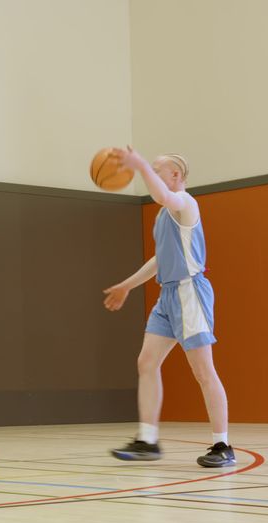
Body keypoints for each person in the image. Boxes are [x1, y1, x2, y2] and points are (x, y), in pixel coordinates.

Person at [102, 148, 235, 468]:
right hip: (168, 295)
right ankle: (148, 440)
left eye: (157, 169)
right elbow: (160, 259)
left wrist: (139, 165)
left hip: (190, 292)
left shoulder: (185, 203)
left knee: (203, 371)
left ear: (176, 176)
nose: (151, 172)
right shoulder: (164, 216)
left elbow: (163, 196)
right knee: (146, 362)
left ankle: (223, 445)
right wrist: (127, 285)